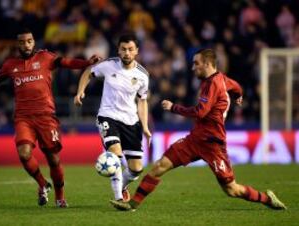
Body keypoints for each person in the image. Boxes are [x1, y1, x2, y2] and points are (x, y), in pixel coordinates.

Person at [110, 48, 287, 211]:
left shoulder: (214, 84)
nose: (193, 67)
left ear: (208, 64)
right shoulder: (223, 80)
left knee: (231, 189)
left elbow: (201, 112)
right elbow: (236, 87)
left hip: (213, 144)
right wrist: (238, 96)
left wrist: (174, 108)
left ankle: (267, 199)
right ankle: (132, 204)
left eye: (196, 63)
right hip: (195, 140)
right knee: (159, 166)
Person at [0, 28, 100, 208]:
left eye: (29, 41)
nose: (26, 44)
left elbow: (65, 62)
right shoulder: (10, 65)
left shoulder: (45, 57)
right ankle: (43, 184)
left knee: (53, 159)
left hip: (46, 116)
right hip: (24, 117)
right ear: (18, 44)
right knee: (24, 154)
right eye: (22, 42)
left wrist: (86, 62)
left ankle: (60, 197)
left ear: (33, 42)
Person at [74, 34, 152, 202]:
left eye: (130, 49)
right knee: (115, 155)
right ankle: (118, 198)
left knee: (136, 169)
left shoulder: (143, 75)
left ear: (137, 51)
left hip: (131, 121)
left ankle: (122, 186)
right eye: (123, 49)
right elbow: (88, 72)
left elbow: (142, 101)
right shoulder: (108, 65)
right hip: (107, 116)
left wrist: (145, 127)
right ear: (118, 50)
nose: (127, 53)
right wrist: (80, 91)